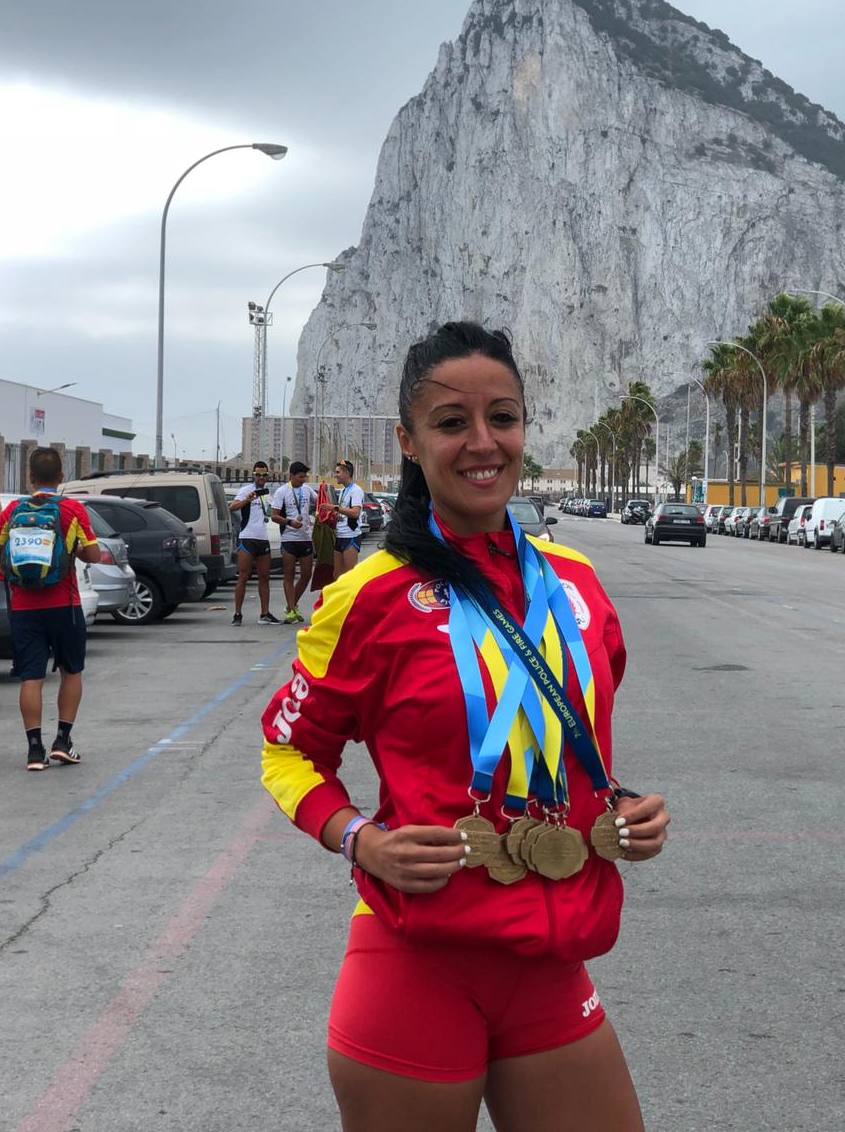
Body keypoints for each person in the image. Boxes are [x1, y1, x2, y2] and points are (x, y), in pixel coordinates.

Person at [260, 322, 669, 1132]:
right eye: (452, 423)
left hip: (551, 965)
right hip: (416, 966)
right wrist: (358, 839)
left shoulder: (579, 585)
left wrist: (620, 805)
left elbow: (563, 742)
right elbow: (288, 751)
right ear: (409, 442)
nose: (483, 443)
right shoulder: (368, 597)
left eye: (502, 418)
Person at [0, 447, 103, 771]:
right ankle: (63, 741)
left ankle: (34, 751)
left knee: (31, 677)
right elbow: (94, 555)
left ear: (30, 477)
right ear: (61, 477)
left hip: (24, 607)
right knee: (71, 671)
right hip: (65, 605)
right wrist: (74, 550)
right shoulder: (72, 509)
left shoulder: (13, 510)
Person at [230, 461, 281, 626]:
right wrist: (247, 499)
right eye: (258, 474)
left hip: (262, 538)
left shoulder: (266, 494)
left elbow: (273, 512)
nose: (261, 477)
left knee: (264, 576)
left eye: (264, 475)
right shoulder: (246, 490)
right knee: (244, 576)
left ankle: (265, 614)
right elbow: (232, 507)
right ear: (253, 475)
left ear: (268, 476)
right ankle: (237, 614)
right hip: (247, 537)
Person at [272, 461, 316, 624]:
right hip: (289, 538)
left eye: (305, 477)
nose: (303, 480)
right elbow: (274, 516)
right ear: (291, 475)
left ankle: (292, 605)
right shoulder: (282, 491)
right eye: (300, 477)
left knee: (306, 574)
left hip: (305, 537)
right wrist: (289, 522)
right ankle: (291, 610)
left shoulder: (307, 490)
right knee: (289, 574)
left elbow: (321, 501)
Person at [324, 458, 366, 580]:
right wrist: (334, 515)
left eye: (338, 472)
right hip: (340, 535)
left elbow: (355, 513)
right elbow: (344, 511)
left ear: (347, 473)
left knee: (350, 576)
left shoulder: (356, 490)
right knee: (337, 576)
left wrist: (335, 508)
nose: (335, 475)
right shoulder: (343, 490)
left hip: (350, 535)